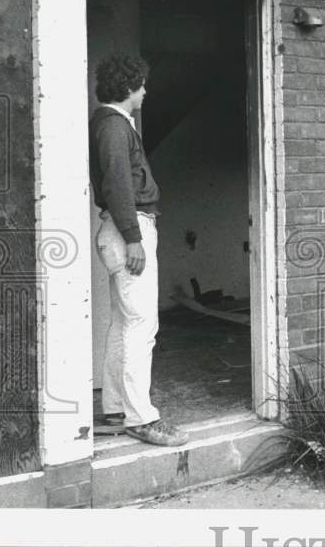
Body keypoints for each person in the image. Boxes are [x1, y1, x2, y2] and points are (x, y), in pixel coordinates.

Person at [90, 55, 189, 446]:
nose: (145, 91)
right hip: (128, 231)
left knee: (124, 322)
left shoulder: (110, 123)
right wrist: (133, 237)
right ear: (127, 87)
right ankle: (141, 418)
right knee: (141, 326)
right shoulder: (114, 125)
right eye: (141, 85)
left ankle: (117, 410)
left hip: (121, 229)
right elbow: (117, 184)